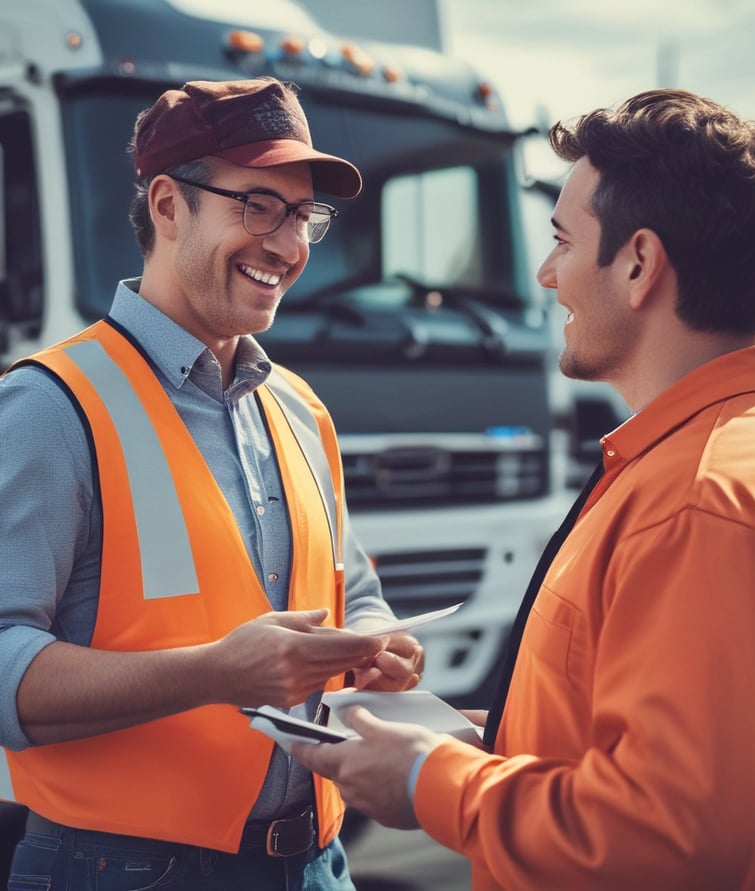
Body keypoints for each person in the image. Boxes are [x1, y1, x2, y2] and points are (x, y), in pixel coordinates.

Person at [293, 88, 755, 890]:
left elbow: (668, 833)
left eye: (560, 241)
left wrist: (427, 781)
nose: (546, 275)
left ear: (640, 265)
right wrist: (478, 738)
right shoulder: (703, 463)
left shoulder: (694, 503)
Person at [0, 77, 424, 890]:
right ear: (166, 205)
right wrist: (214, 673)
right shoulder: (49, 405)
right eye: (259, 205)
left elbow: (352, 586)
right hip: (120, 869)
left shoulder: (300, 407)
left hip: (316, 863)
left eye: (302, 217)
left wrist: (379, 643)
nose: (288, 244)